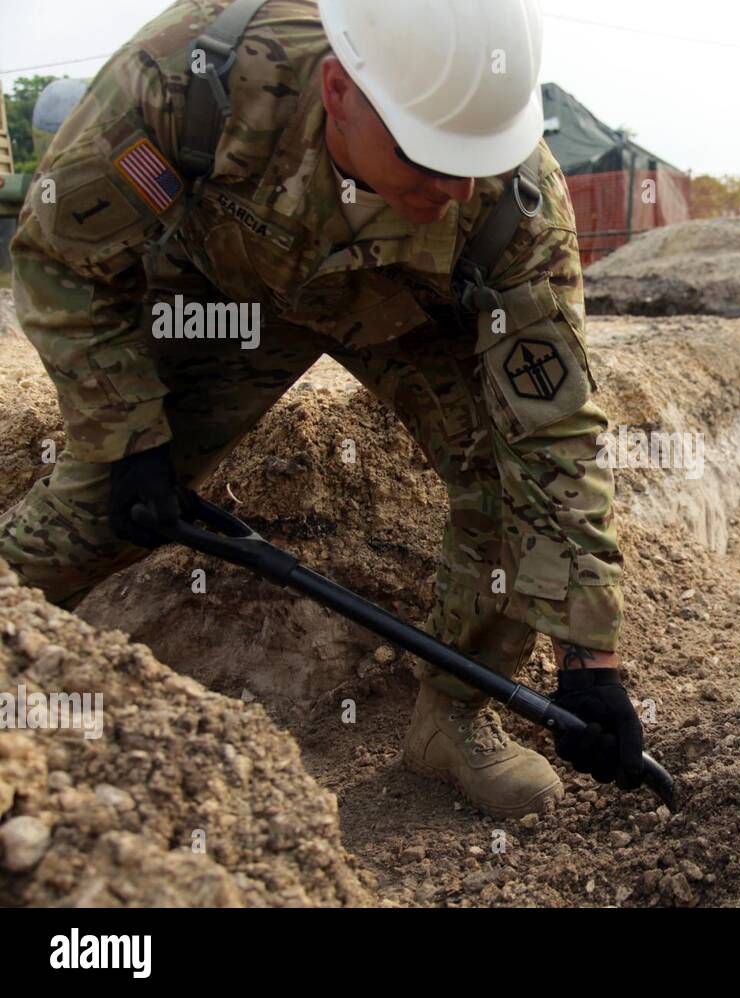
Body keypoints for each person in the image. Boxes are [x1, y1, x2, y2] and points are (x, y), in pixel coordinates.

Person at [0, 0, 645, 818]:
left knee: (500, 483)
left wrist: (590, 662)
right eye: (427, 158)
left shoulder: (515, 206)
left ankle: (450, 721)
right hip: (221, 290)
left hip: (401, 313)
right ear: (339, 90)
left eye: (474, 161)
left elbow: (553, 433)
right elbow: (61, 260)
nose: (453, 190)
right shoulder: (187, 74)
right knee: (102, 505)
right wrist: (126, 432)